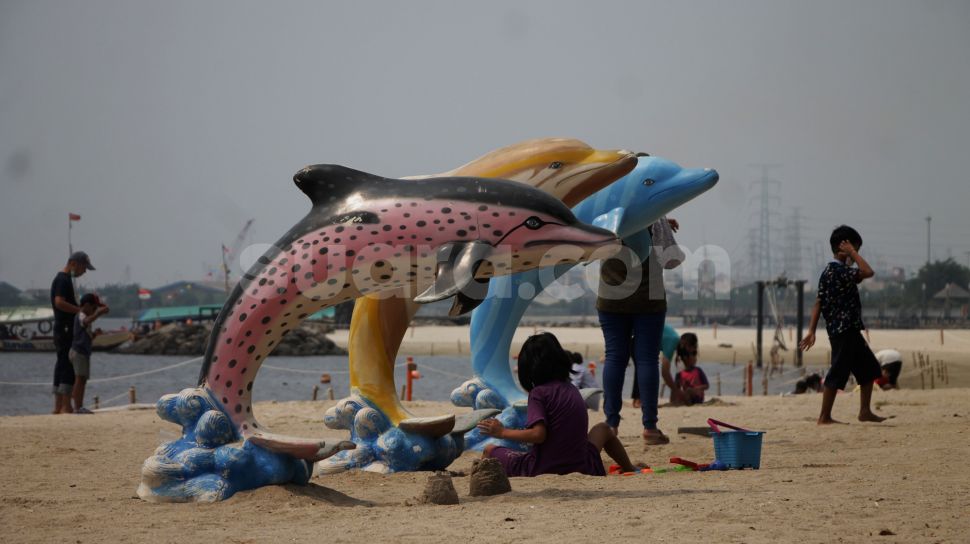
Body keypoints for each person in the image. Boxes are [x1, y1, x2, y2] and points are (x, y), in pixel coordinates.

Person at [478, 333, 640, 477]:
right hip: (584, 465)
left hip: (545, 468)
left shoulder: (538, 394)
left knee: (489, 450)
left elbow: (538, 435)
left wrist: (502, 431)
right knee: (603, 428)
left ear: (527, 369)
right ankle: (629, 467)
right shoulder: (572, 389)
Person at [597, 218, 678, 445]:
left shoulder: (605, 214)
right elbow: (671, 259)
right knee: (647, 360)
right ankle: (650, 428)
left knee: (614, 357)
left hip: (611, 296)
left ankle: (611, 424)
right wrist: (660, 224)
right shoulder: (653, 213)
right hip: (648, 297)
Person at [799, 226, 886, 424]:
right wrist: (853, 253)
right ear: (843, 247)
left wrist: (812, 331)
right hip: (843, 330)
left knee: (869, 369)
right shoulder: (838, 270)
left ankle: (865, 411)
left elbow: (818, 302)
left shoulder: (827, 272)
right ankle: (824, 417)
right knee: (837, 372)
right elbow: (868, 272)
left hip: (847, 330)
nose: (857, 253)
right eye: (856, 248)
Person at [50, 251, 95, 414]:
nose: (84, 273)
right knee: (66, 365)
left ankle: (59, 406)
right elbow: (59, 302)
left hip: (63, 328)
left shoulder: (65, 279)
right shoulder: (63, 279)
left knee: (62, 363)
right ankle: (65, 405)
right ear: (74, 263)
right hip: (65, 328)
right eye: (84, 268)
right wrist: (79, 311)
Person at [70, 293, 109, 413]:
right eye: (94, 308)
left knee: (82, 380)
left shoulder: (85, 317)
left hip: (83, 352)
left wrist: (94, 335)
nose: (94, 310)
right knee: (79, 379)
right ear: (87, 305)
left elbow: (86, 335)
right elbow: (86, 321)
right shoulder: (81, 315)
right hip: (79, 351)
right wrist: (98, 314)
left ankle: (79, 406)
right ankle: (77, 407)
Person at [631, 324, 681, 407]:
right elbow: (665, 372)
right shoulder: (673, 340)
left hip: (640, 341)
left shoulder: (673, 338)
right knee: (643, 370)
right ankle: (638, 400)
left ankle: (639, 399)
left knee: (642, 370)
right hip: (639, 342)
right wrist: (676, 390)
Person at [672, 333, 709, 405]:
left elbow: (706, 385)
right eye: (693, 356)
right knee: (685, 393)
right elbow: (676, 388)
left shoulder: (698, 370)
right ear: (685, 358)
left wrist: (696, 389)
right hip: (686, 396)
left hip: (697, 396)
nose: (695, 359)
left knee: (688, 391)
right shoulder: (680, 374)